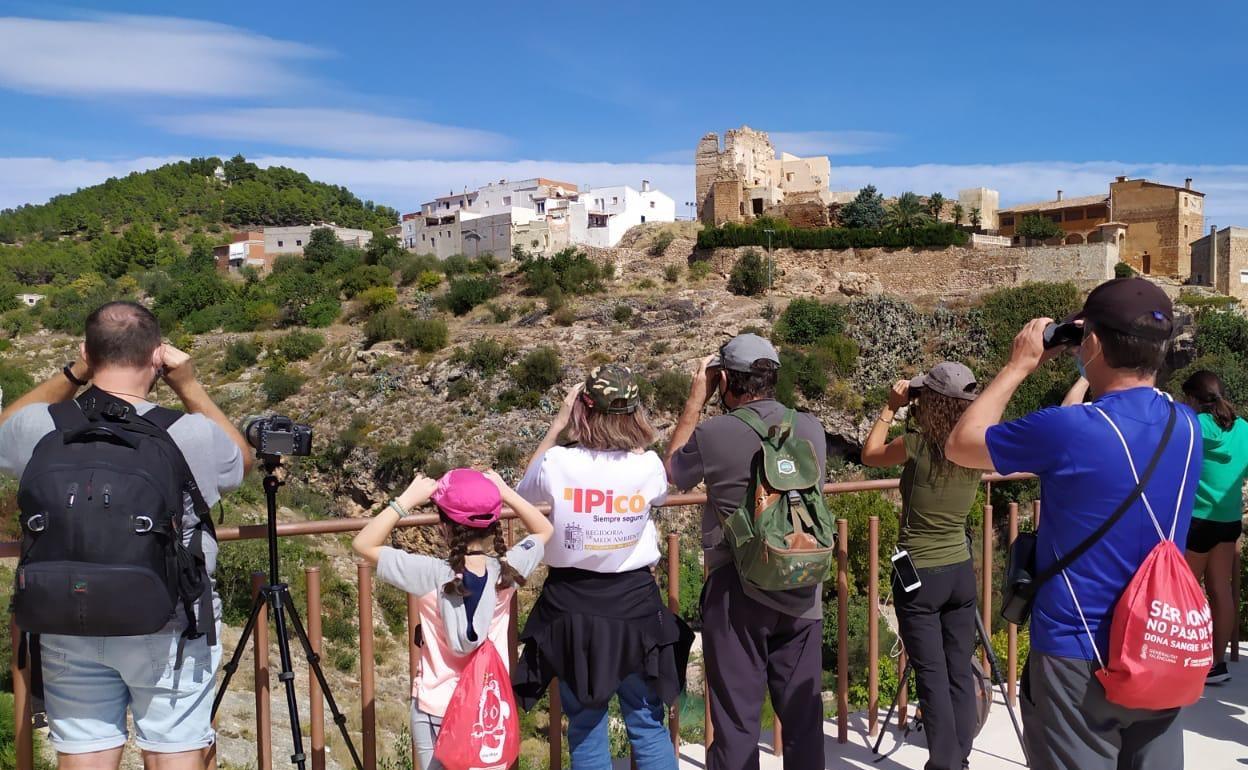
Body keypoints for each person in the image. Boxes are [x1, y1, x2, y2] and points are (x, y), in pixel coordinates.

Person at [945, 277, 1202, 770]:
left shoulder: (1069, 429)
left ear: (1095, 344)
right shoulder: (1187, 425)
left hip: (1078, 653)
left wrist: (1019, 364)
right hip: (1161, 643)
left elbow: (963, 443)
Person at [0, 301, 250, 770]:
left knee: (86, 758)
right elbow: (242, 460)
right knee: (173, 754)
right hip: (169, 622)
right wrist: (188, 384)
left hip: (64, 617)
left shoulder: (40, 427)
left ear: (86, 353)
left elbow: (2, 426)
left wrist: (74, 373)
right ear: (157, 356)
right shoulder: (188, 433)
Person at [513, 364, 691, 770]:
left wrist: (557, 425)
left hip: (572, 608)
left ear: (583, 409)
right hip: (634, 609)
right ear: (634, 413)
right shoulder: (645, 466)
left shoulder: (558, 462)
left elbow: (523, 491)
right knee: (646, 722)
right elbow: (661, 496)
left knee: (586, 723)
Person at [665, 334, 827, 770]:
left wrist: (696, 400)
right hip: (802, 584)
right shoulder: (811, 428)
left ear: (727, 382)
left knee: (737, 722)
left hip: (738, 590)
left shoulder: (715, 433)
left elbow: (672, 471)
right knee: (803, 723)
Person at [352, 467, 552, 770]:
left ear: (444, 528)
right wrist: (505, 491)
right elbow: (543, 530)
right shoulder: (508, 572)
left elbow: (364, 543)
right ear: (493, 524)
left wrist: (407, 499)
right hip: (487, 705)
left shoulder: (430, 575)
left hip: (437, 705)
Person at [861, 363, 982, 770]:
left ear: (929, 401)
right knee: (959, 672)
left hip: (919, 573)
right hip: (961, 571)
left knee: (931, 676)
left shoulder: (915, 443)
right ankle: (959, 757)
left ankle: (945, 764)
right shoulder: (977, 445)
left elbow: (870, 454)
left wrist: (890, 408)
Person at [1180, 370, 1247, 685]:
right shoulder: (1244, 429)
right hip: (1229, 520)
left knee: (1185, 591)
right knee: (1220, 589)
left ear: (1193, 399)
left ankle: (1184, 657)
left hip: (1198, 519)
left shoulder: (1194, 425)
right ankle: (1216, 663)